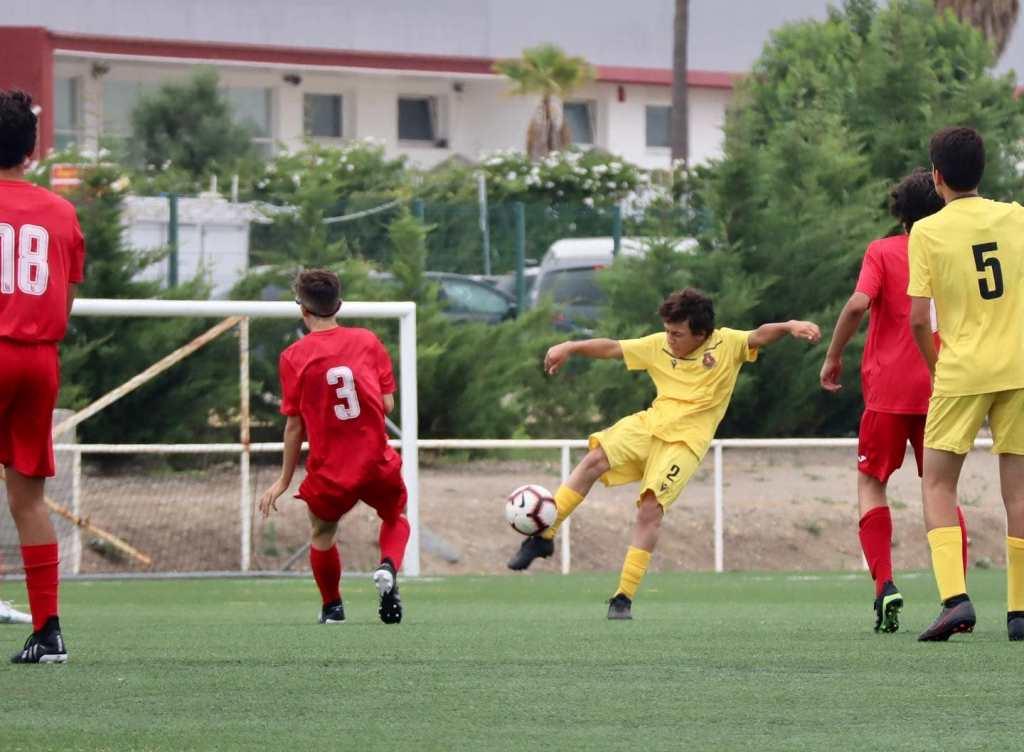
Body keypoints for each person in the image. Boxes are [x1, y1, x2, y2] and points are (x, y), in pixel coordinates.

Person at [507, 288, 820, 619]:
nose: (669, 339)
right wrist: (570, 347)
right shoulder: (659, 345)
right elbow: (612, 348)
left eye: (677, 334)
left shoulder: (726, 344)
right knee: (594, 459)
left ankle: (622, 597)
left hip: (684, 444)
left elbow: (760, 335)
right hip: (650, 426)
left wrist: (789, 326)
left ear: (701, 333)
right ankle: (544, 536)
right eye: (667, 331)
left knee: (649, 509)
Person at [820, 169, 968, 634]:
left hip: (887, 391)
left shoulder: (882, 251)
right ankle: (954, 595)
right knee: (942, 490)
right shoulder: (952, 250)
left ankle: (884, 584)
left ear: (899, 212)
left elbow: (857, 304)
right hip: (942, 385)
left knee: (871, 483)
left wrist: (833, 356)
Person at [908, 126, 1024, 642]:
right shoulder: (1017, 217)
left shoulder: (926, 231)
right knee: (1018, 493)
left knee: (937, 483)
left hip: (960, 371)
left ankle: (955, 600)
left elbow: (917, 319)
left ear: (937, 177)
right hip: (1018, 368)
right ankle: (1019, 611)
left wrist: (936, 368)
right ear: (983, 171)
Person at [258, 269, 409, 625]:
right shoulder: (368, 341)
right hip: (375, 460)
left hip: (331, 469)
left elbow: (294, 425)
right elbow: (387, 405)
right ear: (339, 304)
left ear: (302, 309)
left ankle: (333, 607)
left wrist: (283, 480)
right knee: (395, 517)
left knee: (323, 533)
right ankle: (388, 567)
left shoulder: (293, 356)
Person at [0, 89, 85, 663]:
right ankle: (48, 631)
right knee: (28, 499)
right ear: (31, 150)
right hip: (38, 359)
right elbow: (66, 298)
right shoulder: (61, 211)